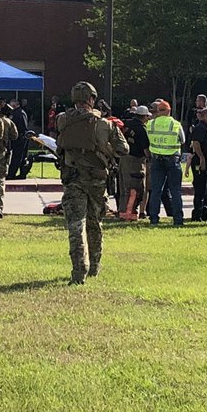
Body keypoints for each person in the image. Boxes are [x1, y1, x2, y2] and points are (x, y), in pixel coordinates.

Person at [56, 82, 128, 284]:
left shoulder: (63, 120)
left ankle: (79, 270)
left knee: (75, 224)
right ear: (92, 99)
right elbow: (124, 149)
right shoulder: (104, 124)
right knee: (95, 222)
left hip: (72, 178)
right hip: (96, 179)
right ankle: (95, 266)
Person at [145, 99, 185, 226]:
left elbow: (148, 139)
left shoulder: (150, 124)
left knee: (156, 190)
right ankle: (178, 220)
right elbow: (183, 140)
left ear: (158, 111)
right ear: (169, 111)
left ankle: (154, 219)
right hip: (172, 159)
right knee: (175, 190)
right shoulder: (175, 124)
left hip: (156, 159)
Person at [117, 104, 150, 220]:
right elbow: (146, 149)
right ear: (144, 116)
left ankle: (122, 212)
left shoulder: (127, 124)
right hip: (136, 161)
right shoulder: (141, 129)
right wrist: (150, 160)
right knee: (134, 188)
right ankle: (129, 214)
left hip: (123, 158)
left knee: (123, 187)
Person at [189, 106, 207, 221]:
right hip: (201, 162)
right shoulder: (200, 128)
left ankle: (205, 213)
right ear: (205, 116)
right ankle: (197, 214)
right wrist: (201, 158)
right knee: (200, 189)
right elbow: (196, 143)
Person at [7, 98, 30, 179]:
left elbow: (23, 127)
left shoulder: (20, 113)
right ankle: (19, 173)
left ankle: (12, 174)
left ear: (15, 104)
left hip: (20, 138)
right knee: (19, 156)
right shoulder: (16, 112)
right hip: (17, 138)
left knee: (18, 156)